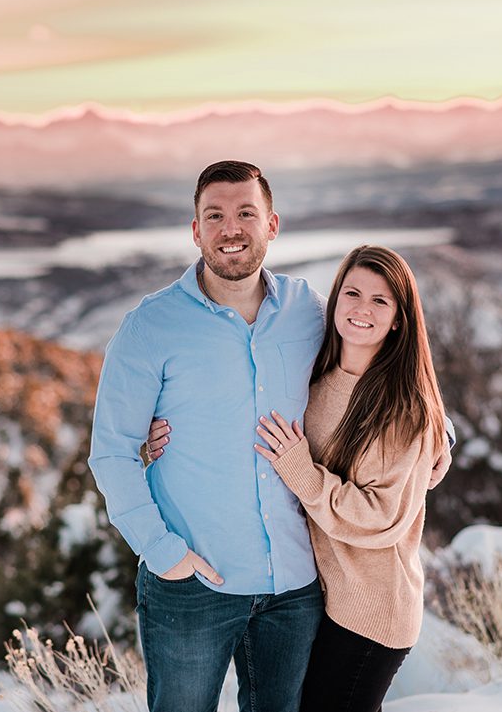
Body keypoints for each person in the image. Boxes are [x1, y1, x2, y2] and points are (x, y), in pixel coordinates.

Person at [89, 161, 450, 712]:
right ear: (196, 230)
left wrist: (437, 435)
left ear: (272, 225)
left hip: (295, 587)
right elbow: (112, 451)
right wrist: (164, 554)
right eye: (215, 215)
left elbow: (386, 366)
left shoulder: (308, 311)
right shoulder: (151, 326)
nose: (231, 228)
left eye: (245, 214)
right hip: (194, 584)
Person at [149, 244, 447, 711]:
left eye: (380, 301)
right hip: (327, 598)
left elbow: (380, 518)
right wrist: (162, 431)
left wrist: (303, 475)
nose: (361, 309)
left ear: (398, 320)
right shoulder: (320, 373)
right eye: (352, 293)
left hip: (371, 610)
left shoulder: (401, 409)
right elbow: (238, 396)